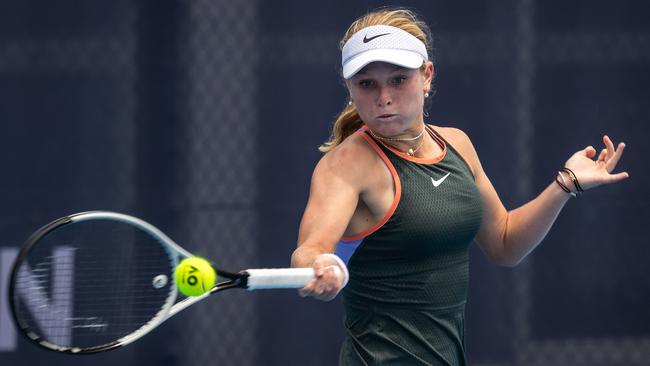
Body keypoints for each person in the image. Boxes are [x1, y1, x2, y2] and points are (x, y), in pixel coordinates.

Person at [290, 7, 629, 366]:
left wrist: (566, 183)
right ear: (350, 88)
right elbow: (310, 250)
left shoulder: (457, 145)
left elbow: (505, 242)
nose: (383, 96)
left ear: (427, 76)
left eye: (398, 79)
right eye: (366, 83)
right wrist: (320, 266)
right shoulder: (345, 165)